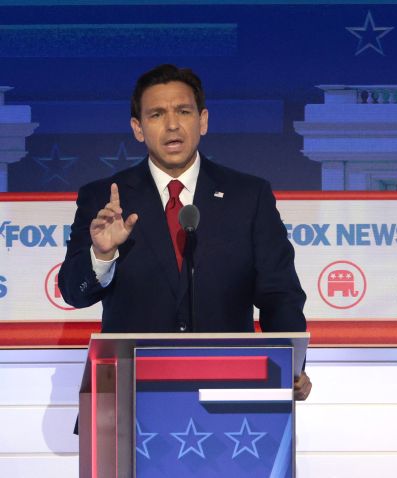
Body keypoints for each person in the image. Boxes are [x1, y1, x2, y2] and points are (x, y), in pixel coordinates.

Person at [59, 64, 311, 399]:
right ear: (138, 128)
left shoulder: (248, 196)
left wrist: (290, 365)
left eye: (183, 111)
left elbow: (279, 295)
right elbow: (74, 293)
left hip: (231, 397)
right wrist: (102, 255)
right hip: (131, 397)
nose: (173, 124)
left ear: (203, 120)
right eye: (157, 114)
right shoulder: (104, 198)